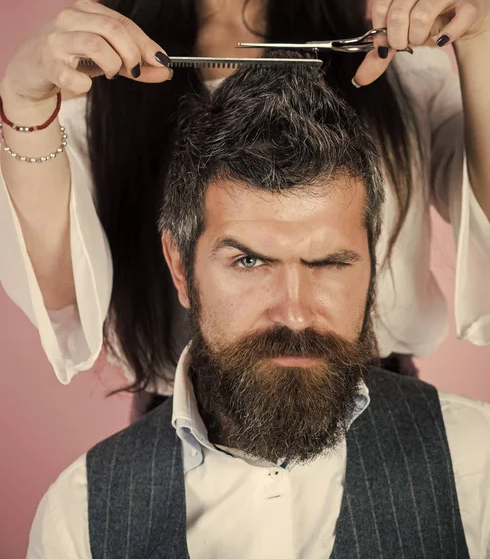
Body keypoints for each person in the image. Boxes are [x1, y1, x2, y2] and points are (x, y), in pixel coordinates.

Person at [27, 60, 490, 559]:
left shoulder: (478, 464)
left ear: (372, 264)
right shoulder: (79, 518)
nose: (294, 313)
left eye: (330, 262)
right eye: (249, 261)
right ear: (181, 267)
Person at [1, 0, 490, 406]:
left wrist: (481, 37)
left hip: (383, 408)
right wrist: (23, 105)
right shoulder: (93, 83)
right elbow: (62, 292)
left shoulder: (397, 60)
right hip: (187, 424)